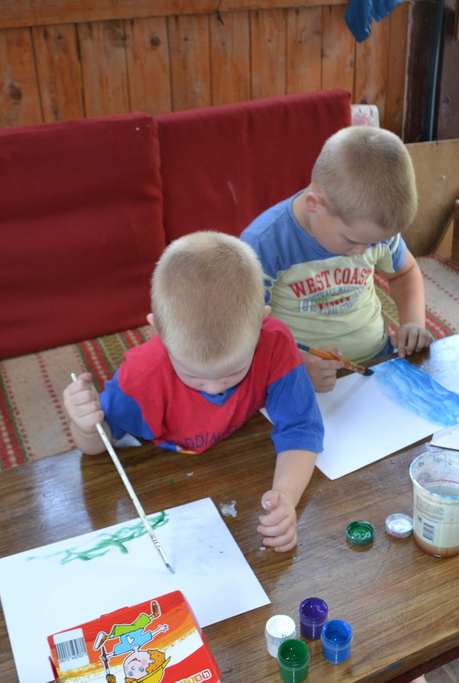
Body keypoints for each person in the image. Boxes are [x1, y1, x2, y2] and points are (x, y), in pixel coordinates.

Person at [63, 231, 323, 553]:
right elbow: (97, 449)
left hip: (237, 461)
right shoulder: (140, 378)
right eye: (194, 376)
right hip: (163, 485)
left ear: (261, 322)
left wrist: (286, 495)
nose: (214, 388)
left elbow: (301, 428)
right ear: (158, 329)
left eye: (232, 372)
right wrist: (86, 425)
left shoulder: (275, 342)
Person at [241, 125, 433, 393]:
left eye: (373, 242)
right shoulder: (263, 245)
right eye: (352, 241)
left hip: (379, 359)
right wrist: (290, 369)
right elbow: (241, 331)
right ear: (314, 204)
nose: (363, 251)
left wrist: (413, 322)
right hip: (301, 373)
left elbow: (404, 272)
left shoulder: (372, 231)